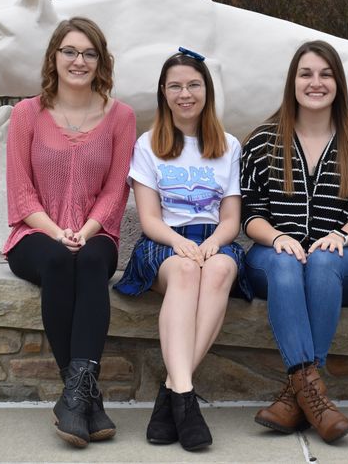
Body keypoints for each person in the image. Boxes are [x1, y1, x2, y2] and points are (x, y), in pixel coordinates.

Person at [240, 40, 348, 444]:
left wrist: (340, 235)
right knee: (286, 263)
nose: (315, 82)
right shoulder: (262, 141)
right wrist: (278, 237)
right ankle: (313, 395)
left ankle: (297, 394)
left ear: (338, 82)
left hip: (344, 263)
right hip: (271, 259)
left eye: (325, 74)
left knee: (322, 262)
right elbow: (249, 215)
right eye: (306, 74)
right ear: (293, 81)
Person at [3, 17, 136, 448]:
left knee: (93, 261)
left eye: (89, 53)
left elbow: (117, 190)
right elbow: (21, 193)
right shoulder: (26, 113)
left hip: (98, 232)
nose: (79, 61)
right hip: (35, 235)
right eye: (70, 52)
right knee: (62, 261)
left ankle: (75, 400)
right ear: (54, 57)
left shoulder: (121, 116)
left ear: (101, 62)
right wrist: (58, 232)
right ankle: (84, 398)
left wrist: (87, 229)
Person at [114, 48, 249, 451]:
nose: (184, 93)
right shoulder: (148, 144)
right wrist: (180, 244)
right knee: (188, 271)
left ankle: (173, 393)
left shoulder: (227, 145)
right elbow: (150, 218)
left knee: (221, 270)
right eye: (175, 86)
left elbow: (231, 220)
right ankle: (186, 401)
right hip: (163, 241)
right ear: (163, 92)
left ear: (207, 89)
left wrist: (210, 244)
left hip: (213, 238)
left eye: (193, 84)